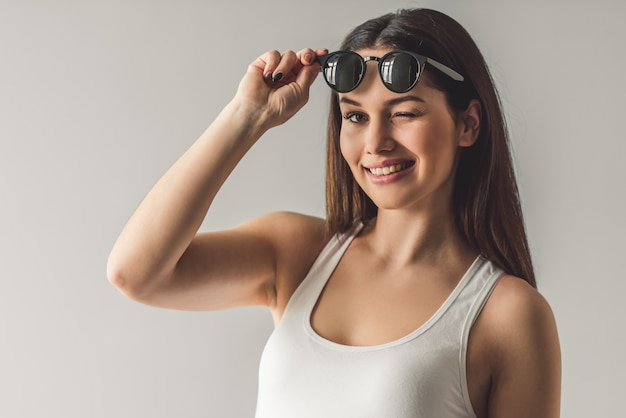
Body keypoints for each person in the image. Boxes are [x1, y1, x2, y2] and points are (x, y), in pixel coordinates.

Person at [107, 8, 561, 418]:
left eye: (403, 112)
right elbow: (136, 273)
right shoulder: (296, 255)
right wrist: (247, 116)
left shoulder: (509, 316)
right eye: (356, 117)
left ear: (468, 124)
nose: (376, 142)